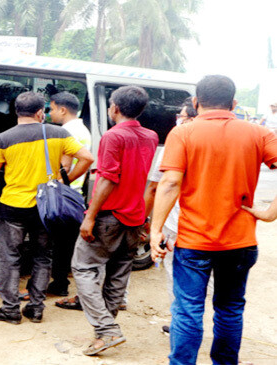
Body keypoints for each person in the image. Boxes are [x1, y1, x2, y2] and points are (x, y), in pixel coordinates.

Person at [150, 75, 277, 365]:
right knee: (230, 308)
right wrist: (270, 213)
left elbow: (169, 183)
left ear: (196, 103)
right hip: (240, 241)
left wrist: (156, 229)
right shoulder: (258, 133)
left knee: (187, 310)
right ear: (234, 103)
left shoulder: (183, 133)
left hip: (194, 242)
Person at [0, 92, 93, 324]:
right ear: (40, 112)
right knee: (42, 256)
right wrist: (65, 180)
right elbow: (87, 158)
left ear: (16, 111)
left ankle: (10, 310)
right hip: (45, 207)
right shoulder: (59, 133)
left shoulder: (3, 138)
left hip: (13, 206)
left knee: (10, 258)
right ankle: (36, 309)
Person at [59, 85, 158, 356]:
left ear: (114, 108)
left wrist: (89, 216)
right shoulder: (150, 136)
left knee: (83, 268)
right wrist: (146, 218)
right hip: (135, 215)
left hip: (109, 215)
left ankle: (106, 330)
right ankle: (105, 331)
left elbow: (108, 179)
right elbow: (146, 179)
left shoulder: (113, 136)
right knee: (118, 272)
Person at [143, 97, 204, 335]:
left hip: (176, 222)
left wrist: (149, 223)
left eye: (180, 116)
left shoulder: (176, 140)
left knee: (176, 275)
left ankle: (181, 325)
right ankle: (190, 321)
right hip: (205, 223)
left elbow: (156, 186)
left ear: (190, 118)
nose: (177, 120)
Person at [46, 91, 92, 297]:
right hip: (74, 194)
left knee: (57, 243)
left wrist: (64, 181)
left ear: (62, 109)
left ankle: (59, 283)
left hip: (64, 195)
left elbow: (64, 164)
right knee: (65, 244)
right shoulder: (82, 129)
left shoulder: (66, 131)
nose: (50, 113)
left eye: (52, 108)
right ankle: (60, 281)